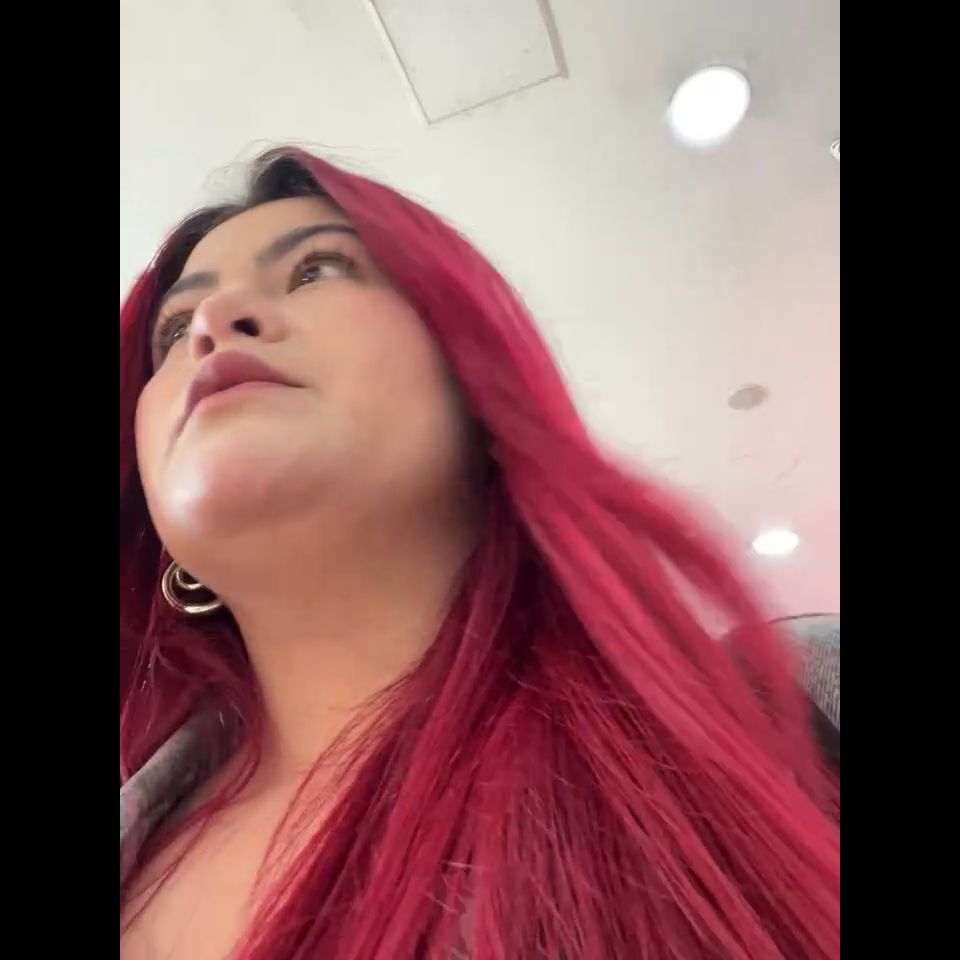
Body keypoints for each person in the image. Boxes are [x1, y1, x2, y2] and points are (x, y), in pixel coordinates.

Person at [120, 148, 840, 960]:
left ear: (479, 383)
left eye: (317, 269)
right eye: (174, 329)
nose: (215, 322)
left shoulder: (793, 709)